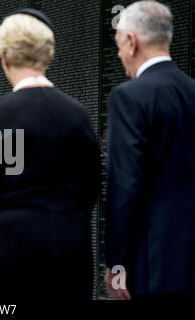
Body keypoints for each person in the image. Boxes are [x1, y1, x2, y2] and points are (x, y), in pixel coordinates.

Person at [0, 9, 100, 300]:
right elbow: (91, 186)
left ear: (4, 56)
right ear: (48, 57)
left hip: (13, 246)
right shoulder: (79, 115)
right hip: (72, 248)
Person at [104, 1, 195, 300]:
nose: (118, 55)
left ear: (131, 41)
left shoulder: (129, 97)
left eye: (118, 45)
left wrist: (117, 264)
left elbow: (125, 185)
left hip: (153, 259)